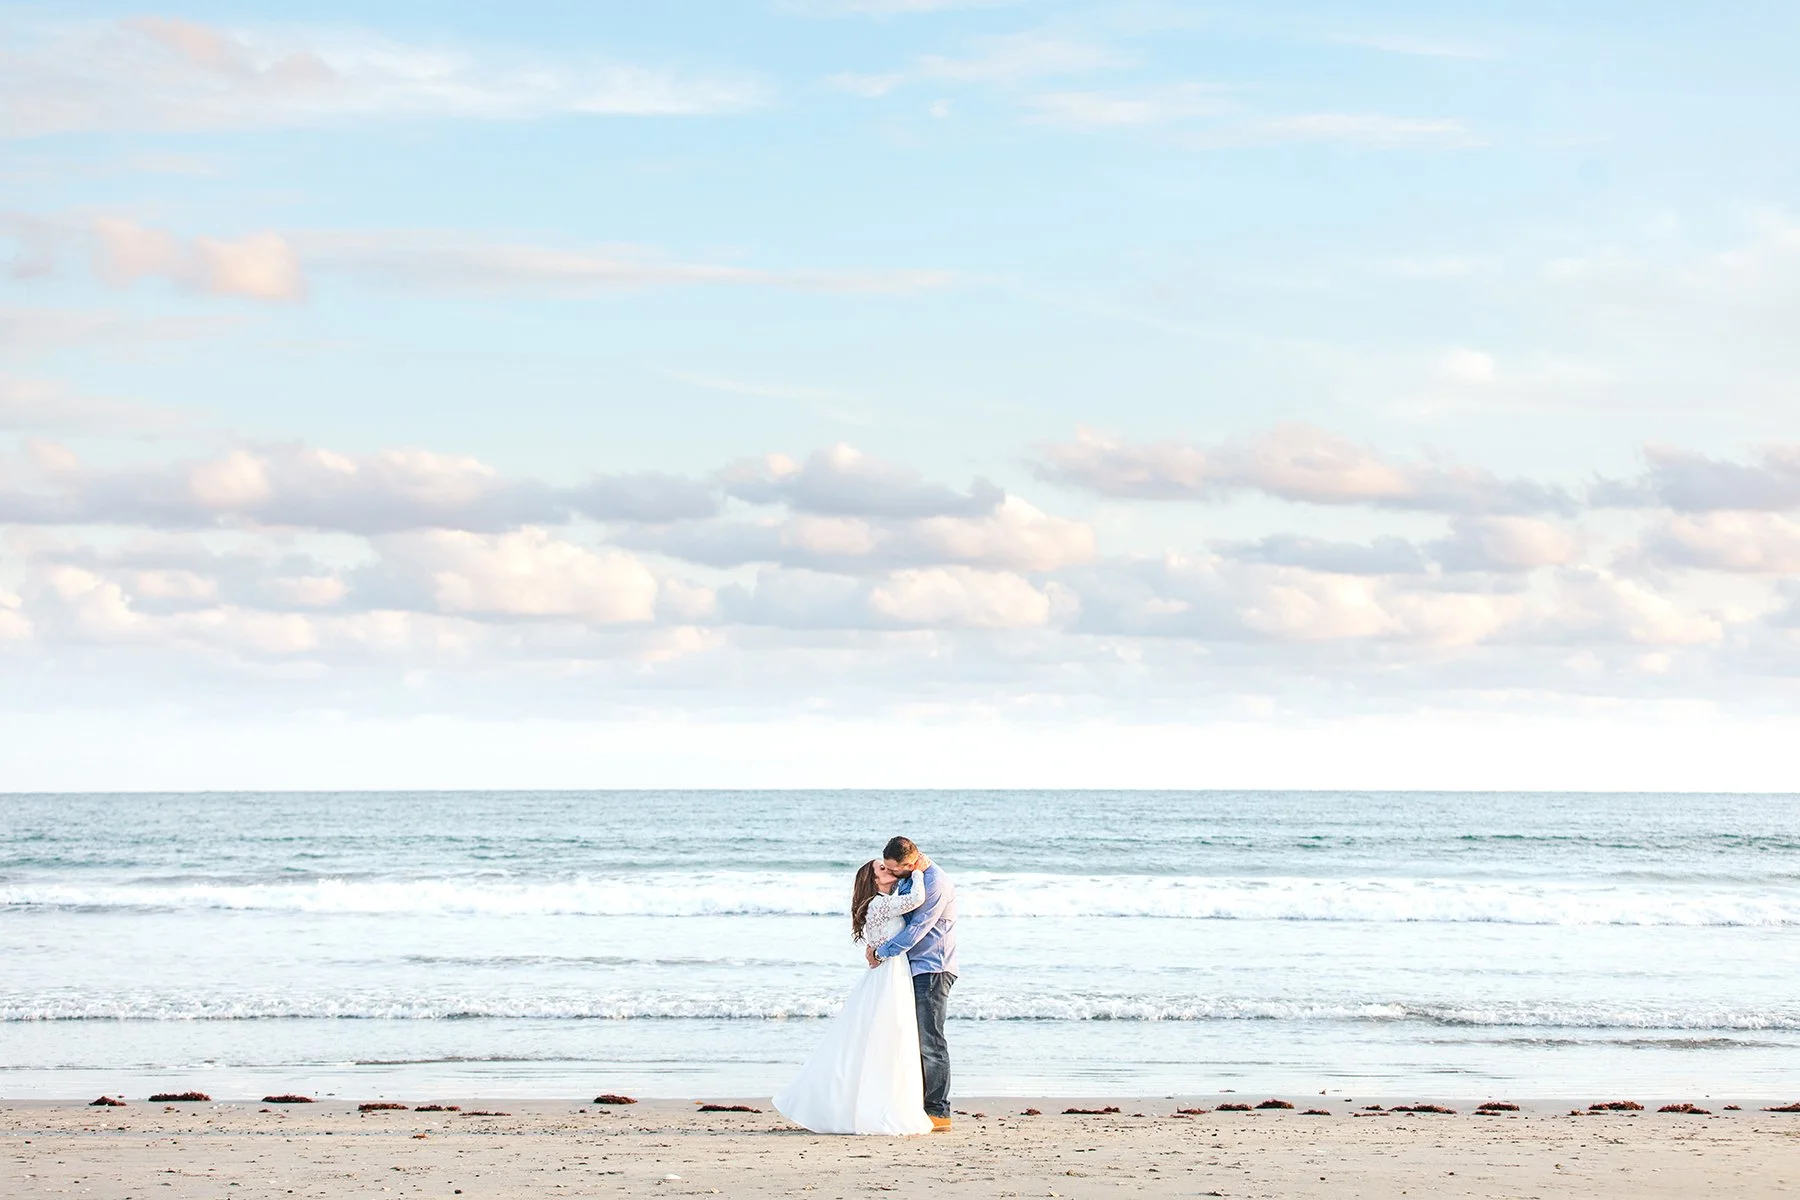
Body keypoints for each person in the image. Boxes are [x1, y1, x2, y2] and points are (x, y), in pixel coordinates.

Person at [770, 856, 935, 1135]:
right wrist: (918, 871)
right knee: (889, 1036)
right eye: (882, 868)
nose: (889, 869)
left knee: (880, 1038)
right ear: (874, 880)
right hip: (888, 975)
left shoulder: (879, 904)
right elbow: (916, 899)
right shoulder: (879, 903)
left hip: (889, 972)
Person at [867, 836, 958, 1131]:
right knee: (911, 1038)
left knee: (930, 1040)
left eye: (896, 871)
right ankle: (915, 1103)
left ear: (910, 863)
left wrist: (881, 952)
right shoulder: (909, 877)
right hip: (909, 969)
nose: (892, 875)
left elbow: (916, 930)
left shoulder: (934, 884)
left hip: (932, 967)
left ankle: (938, 1112)